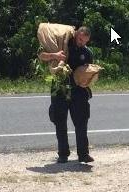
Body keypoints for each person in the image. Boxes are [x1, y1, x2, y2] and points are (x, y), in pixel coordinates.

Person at [39, 26, 94, 163]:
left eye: (85, 41)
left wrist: (87, 81)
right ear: (75, 34)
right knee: (60, 122)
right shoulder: (61, 43)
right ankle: (63, 154)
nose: (81, 42)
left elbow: (89, 72)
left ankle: (83, 154)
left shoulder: (87, 53)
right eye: (80, 39)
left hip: (79, 91)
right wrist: (55, 55)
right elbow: (40, 55)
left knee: (81, 122)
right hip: (60, 88)